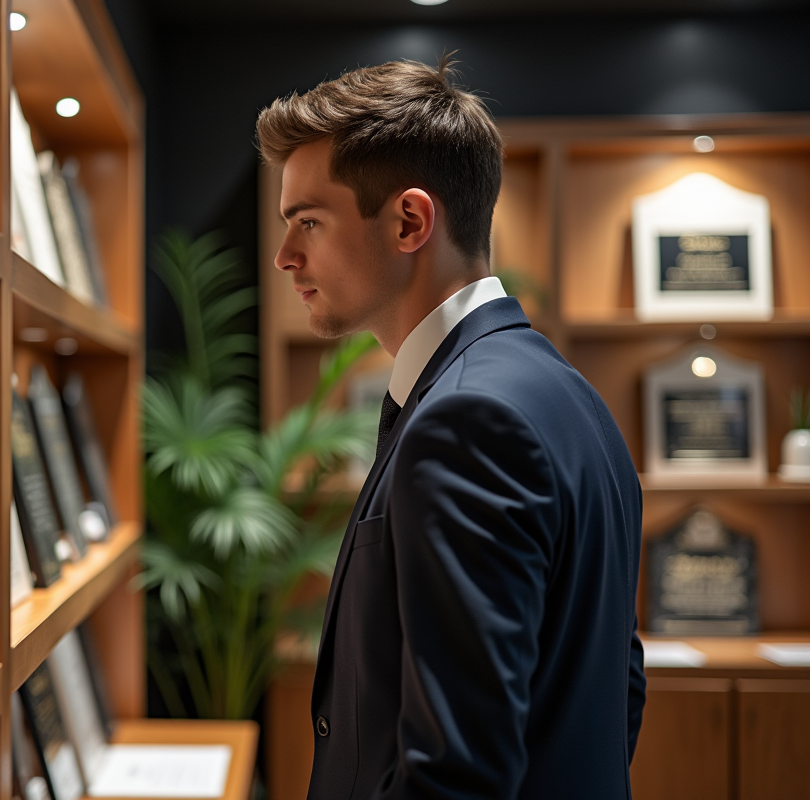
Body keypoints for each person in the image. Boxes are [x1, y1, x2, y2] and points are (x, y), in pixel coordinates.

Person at [256, 57, 645, 800]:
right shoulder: (572, 397)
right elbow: (614, 692)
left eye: (308, 220)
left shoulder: (468, 419)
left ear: (409, 221)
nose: (285, 257)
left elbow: (456, 777)